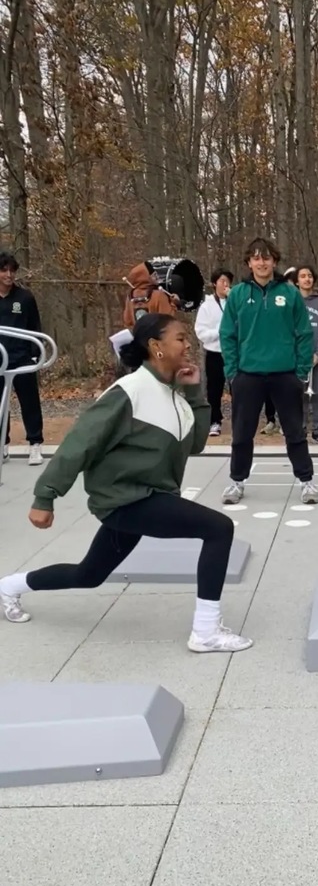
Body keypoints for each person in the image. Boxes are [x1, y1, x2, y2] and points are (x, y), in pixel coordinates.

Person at [0, 314, 253, 652]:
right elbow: (81, 442)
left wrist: (193, 393)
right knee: (219, 528)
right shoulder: (129, 391)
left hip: (145, 496)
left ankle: (8, 586)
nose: (187, 343)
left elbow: (195, 445)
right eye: (179, 337)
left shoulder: (172, 394)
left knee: (89, 575)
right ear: (155, 346)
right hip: (127, 499)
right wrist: (45, 496)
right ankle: (205, 632)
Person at [220, 238, 318, 506]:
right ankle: (236, 481)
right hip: (247, 375)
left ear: (274, 261)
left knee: (294, 432)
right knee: (242, 432)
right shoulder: (238, 294)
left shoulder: (289, 294)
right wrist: (232, 372)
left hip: (285, 375)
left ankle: (306, 481)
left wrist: (300, 371)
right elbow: (227, 335)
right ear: (249, 262)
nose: (261, 263)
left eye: (266, 258)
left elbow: (304, 334)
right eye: (256, 257)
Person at [0, 252, 45, 465]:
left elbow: (35, 327)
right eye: (3, 270)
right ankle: (3, 445)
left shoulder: (25, 298)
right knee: (0, 404)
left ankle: (35, 444)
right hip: (0, 360)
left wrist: (35, 355)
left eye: (11, 271)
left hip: (22, 359)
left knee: (30, 402)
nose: (8, 275)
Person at [288, 264, 318, 445]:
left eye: (310, 276)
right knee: (297, 397)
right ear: (297, 281)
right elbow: (284, 329)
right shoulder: (291, 301)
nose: (307, 279)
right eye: (303, 276)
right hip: (295, 359)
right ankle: (299, 431)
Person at [194, 267, 234, 436]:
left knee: (238, 388)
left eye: (228, 281)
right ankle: (215, 421)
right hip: (215, 353)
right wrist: (220, 331)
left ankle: (240, 420)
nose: (225, 285)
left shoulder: (235, 302)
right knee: (214, 389)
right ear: (214, 284)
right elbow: (201, 332)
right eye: (222, 281)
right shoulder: (207, 306)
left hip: (233, 353)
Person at [122, 261, 177, 329]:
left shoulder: (130, 297)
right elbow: (168, 319)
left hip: (140, 337)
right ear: (145, 278)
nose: (157, 277)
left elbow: (128, 321)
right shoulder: (159, 295)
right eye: (154, 275)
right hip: (158, 337)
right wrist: (174, 304)